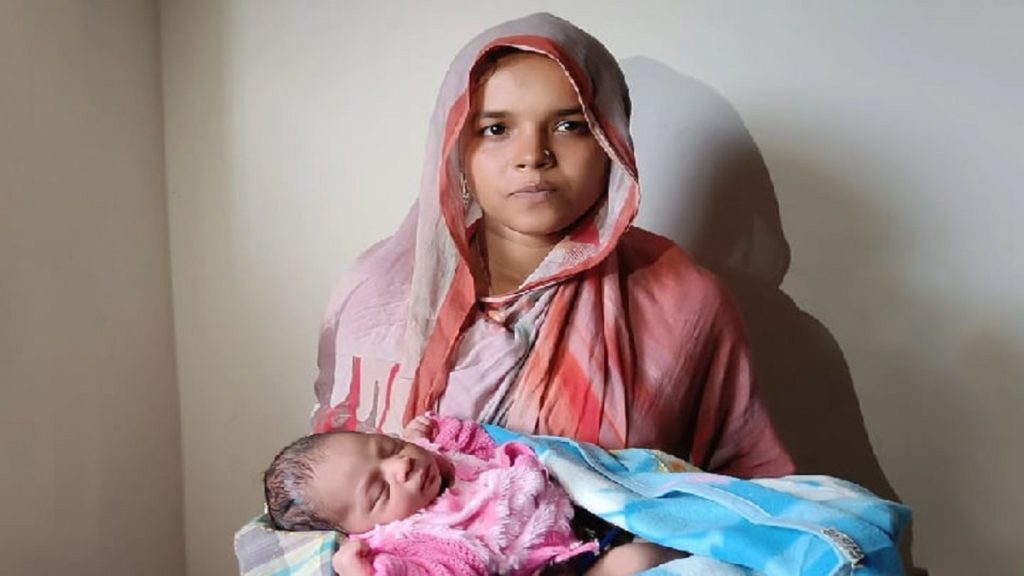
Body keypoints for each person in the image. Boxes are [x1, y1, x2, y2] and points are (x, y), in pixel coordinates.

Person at [311, 12, 793, 480]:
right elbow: (322, 487)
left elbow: (751, 494)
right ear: (455, 146)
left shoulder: (684, 303)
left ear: (611, 140)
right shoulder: (376, 294)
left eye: (569, 126)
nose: (532, 156)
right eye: (496, 129)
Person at [264, 414, 685, 576]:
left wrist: (428, 434)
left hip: (584, 528)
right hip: (555, 570)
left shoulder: (439, 461)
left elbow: (479, 443)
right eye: (379, 491)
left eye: (388, 448)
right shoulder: (416, 543)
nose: (401, 466)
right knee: (638, 560)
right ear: (359, 532)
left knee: (663, 528)